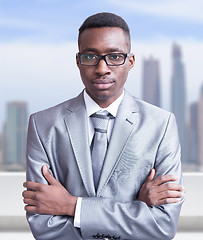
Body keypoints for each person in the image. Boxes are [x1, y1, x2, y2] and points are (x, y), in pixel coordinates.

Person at [22, 12, 184, 240]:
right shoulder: (43, 125)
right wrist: (137, 208)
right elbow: (44, 227)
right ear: (78, 60)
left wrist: (72, 206)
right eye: (90, 57)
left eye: (115, 57)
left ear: (130, 61)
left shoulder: (161, 124)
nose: (102, 69)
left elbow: (163, 226)